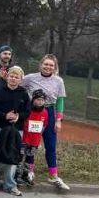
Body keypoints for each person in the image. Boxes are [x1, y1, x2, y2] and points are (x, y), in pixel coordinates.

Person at [22, 55, 69, 190]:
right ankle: (29, 171)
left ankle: (54, 175)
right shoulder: (30, 78)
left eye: (51, 65)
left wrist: (58, 120)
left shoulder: (58, 81)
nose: (48, 67)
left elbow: (60, 101)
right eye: (46, 64)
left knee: (50, 144)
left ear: (55, 67)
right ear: (41, 64)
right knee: (31, 142)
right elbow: (17, 85)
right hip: (34, 112)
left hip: (49, 112)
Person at [0, 66, 30, 196]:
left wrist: (18, 117)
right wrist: (4, 116)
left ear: (20, 80)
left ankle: (10, 185)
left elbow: (27, 111)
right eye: (11, 76)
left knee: (12, 155)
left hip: (16, 129)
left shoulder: (24, 94)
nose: (13, 79)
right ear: (7, 77)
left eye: (16, 77)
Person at [15, 89, 49, 188]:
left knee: (30, 158)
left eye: (42, 100)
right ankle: (17, 176)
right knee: (20, 157)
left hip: (35, 141)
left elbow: (44, 125)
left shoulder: (45, 112)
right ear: (33, 100)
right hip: (24, 139)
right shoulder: (28, 110)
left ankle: (26, 176)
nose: (40, 102)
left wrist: (38, 137)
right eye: (38, 99)